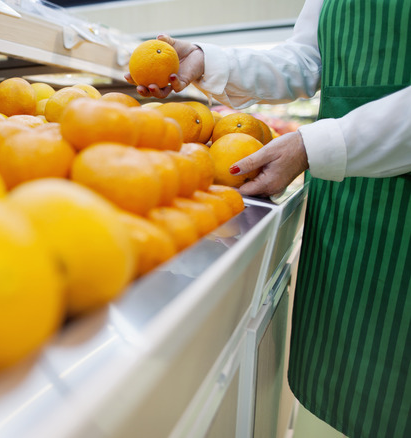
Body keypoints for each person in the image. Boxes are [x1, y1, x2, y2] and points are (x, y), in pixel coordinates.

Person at [127, 0, 411, 436]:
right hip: (344, 202)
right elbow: (307, 59)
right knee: (347, 385)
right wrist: (208, 61)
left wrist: (319, 145)